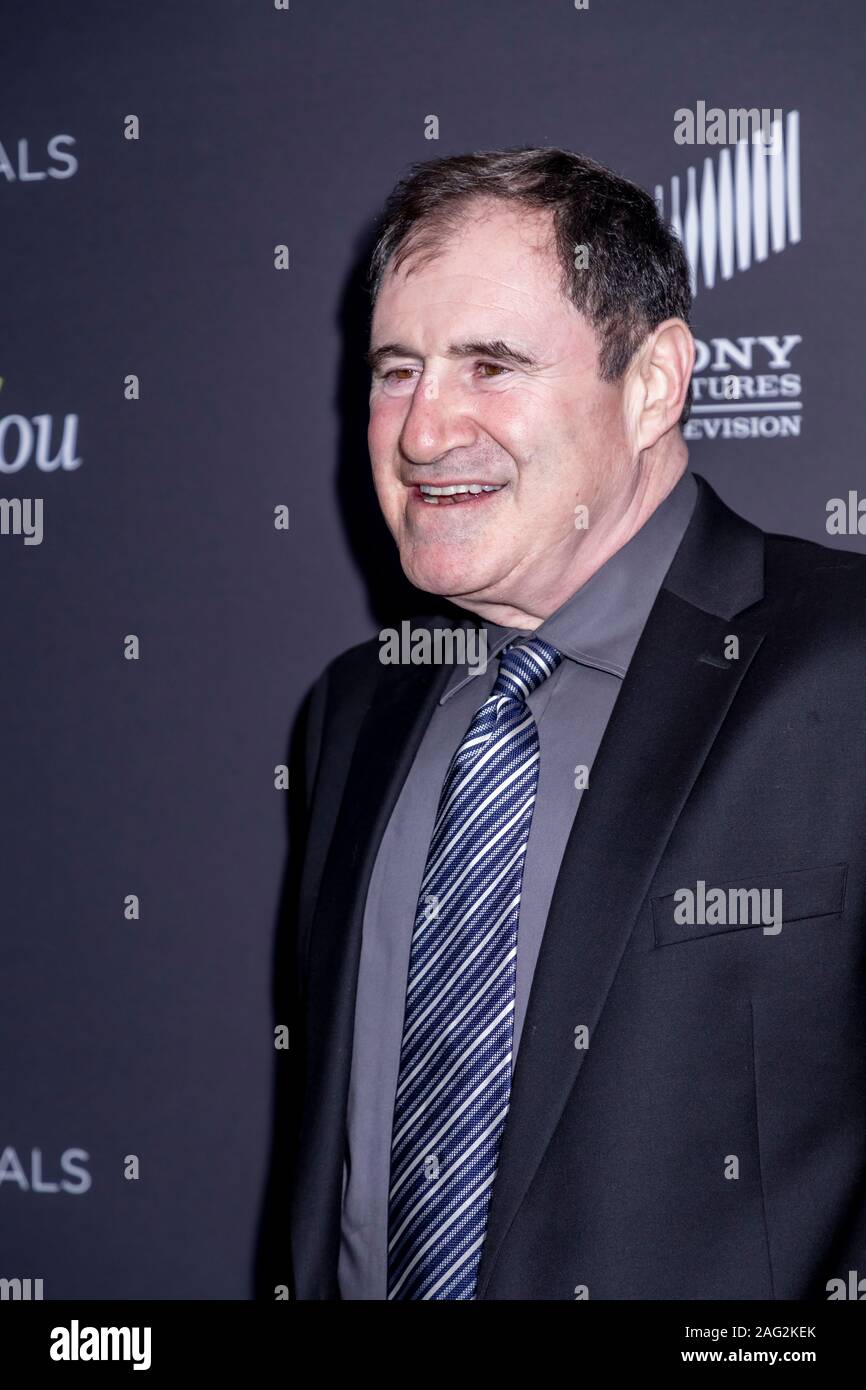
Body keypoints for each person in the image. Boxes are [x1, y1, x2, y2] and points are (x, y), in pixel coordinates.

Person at [287, 148, 866, 1300]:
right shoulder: (355, 710)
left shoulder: (846, 666)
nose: (420, 430)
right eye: (395, 371)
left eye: (489, 364)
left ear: (651, 382)